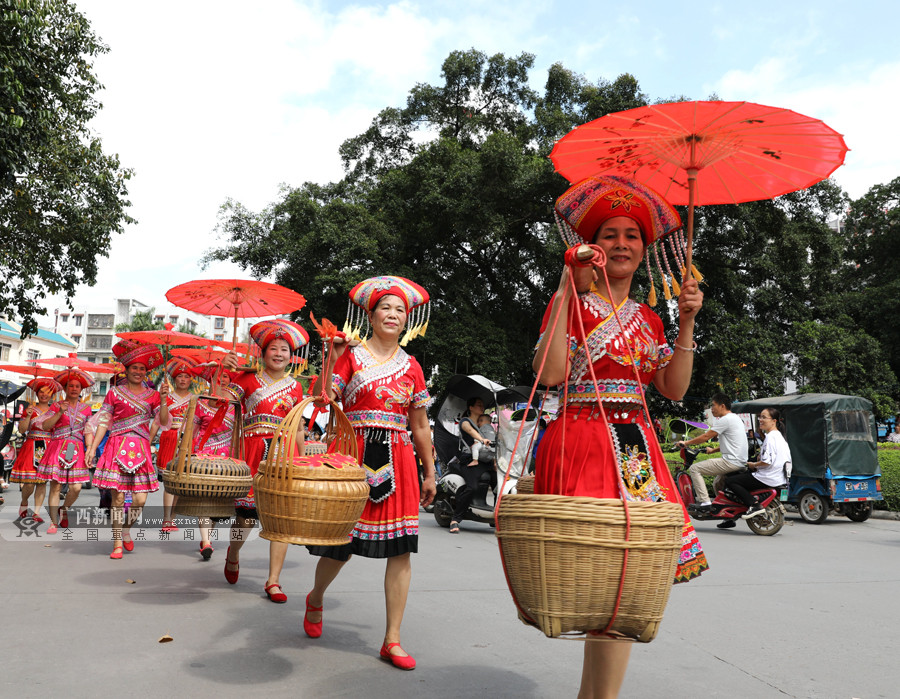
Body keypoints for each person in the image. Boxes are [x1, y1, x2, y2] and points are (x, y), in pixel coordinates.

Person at [533, 175, 708, 698]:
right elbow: (552, 375)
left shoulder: (651, 318)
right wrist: (568, 288)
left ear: (644, 249)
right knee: (600, 578)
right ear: (591, 248)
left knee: (625, 582)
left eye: (632, 235)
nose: (622, 243)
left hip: (635, 446)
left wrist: (687, 324)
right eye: (610, 234)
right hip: (580, 438)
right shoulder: (572, 303)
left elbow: (672, 389)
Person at [305, 275, 436, 671]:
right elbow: (323, 399)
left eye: (400, 310)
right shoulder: (351, 355)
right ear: (371, 314)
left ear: (407, 319)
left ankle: (392, 639)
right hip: (352, 453)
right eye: (386, 308)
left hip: (398, 461)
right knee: (339, 546)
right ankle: (315, 598)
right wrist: (330, 355)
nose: (393, 314)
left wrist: (431, 471)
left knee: (400, 550)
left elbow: (420, 425)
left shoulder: (412, 367)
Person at [221, 319, 307, 603]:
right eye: (274, 348)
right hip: (254, 452)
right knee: (246, 517)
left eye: (285, 349)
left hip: (284, 456)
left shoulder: (296, 388)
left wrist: (303, 460)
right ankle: (233, 553)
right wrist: (225, 369)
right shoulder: (245, 379)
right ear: (263, 352)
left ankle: (273, 581)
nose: (279, 353)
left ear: (291, 356)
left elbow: (298, 427)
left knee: (280, 518)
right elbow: (216, 402)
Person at [85, 340, 169, 559]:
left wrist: (164, 399)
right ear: (127, 369)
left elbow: (164, 421)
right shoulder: (114, 392)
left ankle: (126, 529)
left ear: (146, 372)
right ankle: (117, 543)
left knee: (140, 500)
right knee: (118, 499)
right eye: (135, 368)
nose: (139, 372)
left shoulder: (152, 396)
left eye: (142, 369)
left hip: (140, 449)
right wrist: (92, 448)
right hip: (116, 446)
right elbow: (103, 421)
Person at [190, 362, 239, 559]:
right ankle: (207, 542)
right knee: (204, 498)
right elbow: (191, 432)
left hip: (226, 458)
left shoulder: (236, 406)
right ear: (209, 380)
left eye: (225, 377)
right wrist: (186, 453)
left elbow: (237, 433)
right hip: (203, 457)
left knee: (217, 502)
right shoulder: (199, 403)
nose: (221, 381)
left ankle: (206, 536)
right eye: (217, 377)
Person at [38, 369, 94, 534]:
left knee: (76, 487)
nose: (74, 389)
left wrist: (90, 448)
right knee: (55, 487)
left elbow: (88, 431)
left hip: (76, 448)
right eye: (71, 386)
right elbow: (46, 426)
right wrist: (60, 412)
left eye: (77, 386)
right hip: (57, 447)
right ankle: (53, 522)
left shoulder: (86, 409)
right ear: (65, 388)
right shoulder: (56, 405)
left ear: (81, 390)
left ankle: (64, 508)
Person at [676, 393, 748, 513]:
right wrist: (713, 450)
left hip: (731, 462)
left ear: (722, 406)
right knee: (717, 483)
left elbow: (706, 436)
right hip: (739, 461)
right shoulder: (735, 418)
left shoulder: (725, 419)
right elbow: (732, 443)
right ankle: (726, 513)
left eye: (713, 405)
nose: (712, 409)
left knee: (694, 469)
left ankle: (705, 502)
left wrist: (686, 443)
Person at [151, 357, 198, 533]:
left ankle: (173, 518)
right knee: (170, 481)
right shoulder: (167, 398)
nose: (183, 379)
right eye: (180, 376)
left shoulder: (196, 399)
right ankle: (166, 519)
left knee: (180, 483)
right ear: (174, 379)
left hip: (188, 441)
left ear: (191, 379)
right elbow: (159, 422)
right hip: (170, 438)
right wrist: (147, 443)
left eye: (187, 376)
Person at [723, 407, 792, 523]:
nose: (760, 419)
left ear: (774, 421)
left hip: (768, 477)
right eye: (760, 417)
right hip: (779, 477)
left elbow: (767, 462)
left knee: (730, 481)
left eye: (764, 417)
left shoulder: (770, 437)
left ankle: (754, 505)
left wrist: (753, 464)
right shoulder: (779, 436)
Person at [9, 377, 60, 521]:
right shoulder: (29, 409)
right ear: (36, 394)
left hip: (49, 446)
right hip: (32, 445)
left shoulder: (55, 410)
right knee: (30, 483)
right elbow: (22, 430)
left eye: (48, 392)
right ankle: (24, 501)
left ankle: (37, 512)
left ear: (52, 394)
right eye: (41, 392)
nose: (44, 395)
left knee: (42, 482)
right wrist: (28, 417)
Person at [448, 397, 493, 534]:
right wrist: (481, 439)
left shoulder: (482, 426)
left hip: (485, 460)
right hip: (469, 461)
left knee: (499, 482)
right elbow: (469, 430)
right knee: (472, 487)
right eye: (479, 405)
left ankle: (496, 516)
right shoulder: (465, 421)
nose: (482, 407)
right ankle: (455, 519)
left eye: (482, 405)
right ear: (471, 408)